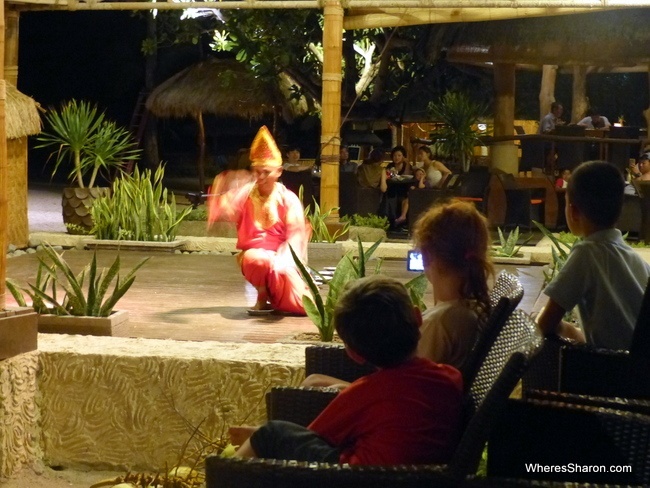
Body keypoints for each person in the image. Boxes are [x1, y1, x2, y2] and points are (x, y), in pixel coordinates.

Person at [229, 275, 464, 465]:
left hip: (353, 478)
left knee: (270, 434)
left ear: (353, 353)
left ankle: (225, 474)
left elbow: (316, 436)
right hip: (416, 476)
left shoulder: (365, 393)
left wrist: (258, 434)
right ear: (417, 317)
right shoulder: (449, 377)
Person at [304, 199, 493, 392]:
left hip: (394, 402)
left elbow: (406, 387)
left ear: (426, 255)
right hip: (404, 397)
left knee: (313, 382)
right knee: (316, 379)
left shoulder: (442, 322)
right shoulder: (473, 307)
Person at [537, 160, 650, 350]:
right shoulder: (635, 259)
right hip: (638, 369)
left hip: (610, 371)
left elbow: (545, 324)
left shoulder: (586, 253)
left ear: (573, 211)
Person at [207, 126, 310, 316]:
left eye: (266, 172)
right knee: (258, 259)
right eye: (256, 171)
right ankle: (262, 297)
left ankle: (278, 294)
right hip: (256, 258)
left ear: (279, 171)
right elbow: (222, 206)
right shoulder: (244, 194)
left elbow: (296, 235)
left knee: (304, 307)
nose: (260, 177)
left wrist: (284, 262)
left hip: (282, 260)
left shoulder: (288, 199)